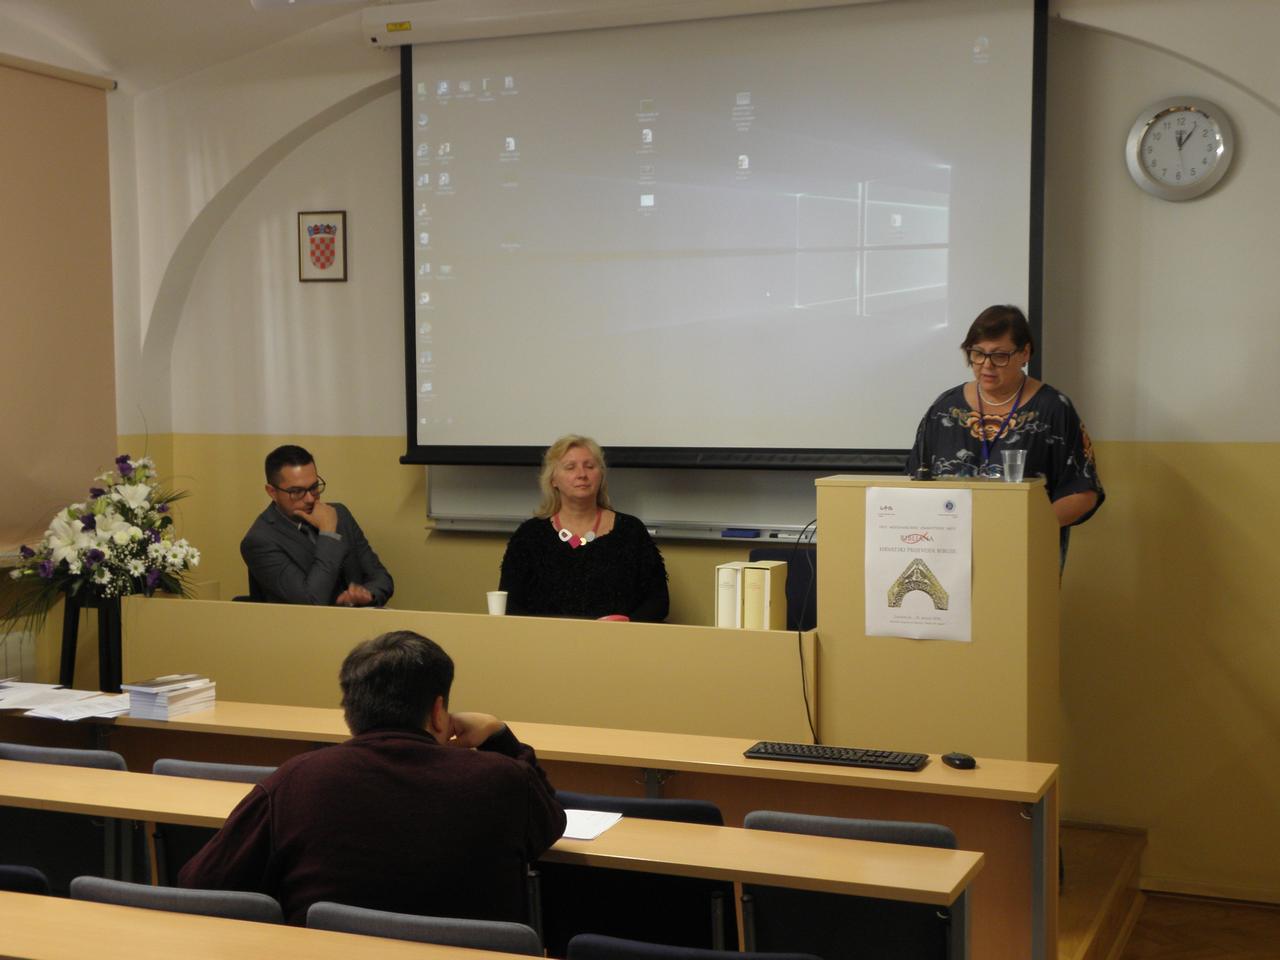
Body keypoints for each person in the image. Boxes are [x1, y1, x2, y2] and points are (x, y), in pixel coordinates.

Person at [178, 630, 566, 925]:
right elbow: (550, 823)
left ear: (350, 713)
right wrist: (499, 736)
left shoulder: (297, 779)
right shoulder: (501, 779)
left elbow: (202, 883)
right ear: (438, 712)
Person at [906, 305, 1104, 549]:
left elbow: (1083, 492)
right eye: (978, 353)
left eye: (999, 356)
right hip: (950, 551)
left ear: (1025, 353)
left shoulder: (1054, 409)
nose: (986, 365)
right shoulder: (944, 408)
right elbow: (915, 481)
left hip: (1024, 548)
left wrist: (1028, 527)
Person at [499, 435, 668, 621]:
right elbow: (509, 604)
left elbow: (658, 602)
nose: (582, 474)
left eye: (590, 466)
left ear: (601, 475)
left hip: (618, 637)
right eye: (570, 467)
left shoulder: (630, 531)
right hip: (546, 638)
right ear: (553, 479)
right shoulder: (529, 536)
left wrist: (628, 623)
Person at [241, 444, 393, 606]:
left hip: (360, 617)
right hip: (305, 622)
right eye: (297, 491)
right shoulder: (259, 541)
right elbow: (311, 602)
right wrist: (328, 534)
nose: (310, 499)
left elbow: (382, 578)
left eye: (314, 488)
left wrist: (368, 594)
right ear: (272, 492)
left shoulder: (339, 514)